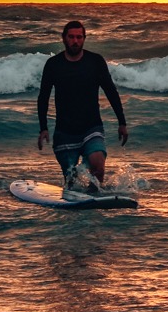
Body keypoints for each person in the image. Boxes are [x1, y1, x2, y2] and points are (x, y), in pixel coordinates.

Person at [37, 20, 127, 197]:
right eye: (71, 37)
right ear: (64, 39)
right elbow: (43, 97)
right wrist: (43, 128)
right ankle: (77, 206)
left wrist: (122, 122)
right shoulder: (53, 65)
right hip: (65, 131)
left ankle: (95, 198)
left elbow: (111, 91)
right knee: (71, 182)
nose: (75, 41)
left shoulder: (95, 62)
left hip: (91, 126)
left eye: (79, 37)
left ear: (84, 39)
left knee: (98, 165)